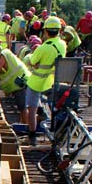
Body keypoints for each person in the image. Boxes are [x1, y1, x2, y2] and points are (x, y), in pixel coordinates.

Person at [25, 16, 67, 145]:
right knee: (53, 106)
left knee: (31, 109)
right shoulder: (62, 44)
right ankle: (52, 126)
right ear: (59, 31)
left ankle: (32, 135)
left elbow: (32, 61)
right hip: (53, 81)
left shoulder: (43, 47)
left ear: (46, 31)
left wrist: (31, 60)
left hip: (37, 82)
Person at [0, 35, 30, 124]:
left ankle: (27, 127)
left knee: (23, 107)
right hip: (18, 84)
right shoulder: (0, 55)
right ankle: (23, 124)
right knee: (21, 107)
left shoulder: (3, 54)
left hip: (22, 82)